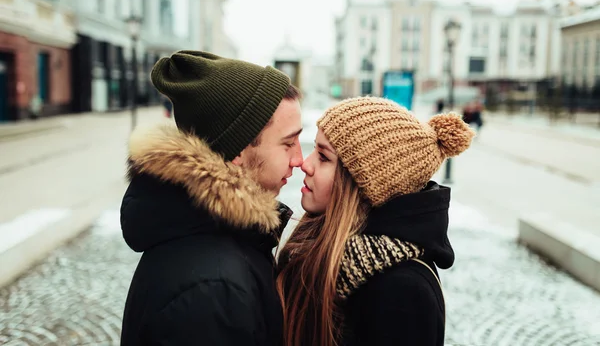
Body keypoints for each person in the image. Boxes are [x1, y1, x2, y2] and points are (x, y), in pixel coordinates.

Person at [120, 51, 303, 346]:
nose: (300, 159)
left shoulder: (213, 233)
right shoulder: (214, 289)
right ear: (238, 152)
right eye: (288, 143)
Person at [277, 96, 475, 346]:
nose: (306, 164)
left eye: (324, 157)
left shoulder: (401, 290)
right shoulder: (321, 243)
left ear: (364, 185)